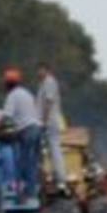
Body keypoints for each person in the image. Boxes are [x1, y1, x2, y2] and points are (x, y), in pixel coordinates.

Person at [0, 67, 41, 205]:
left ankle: (21, 197)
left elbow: (5, 117)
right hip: (37, 130)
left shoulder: (12, 95)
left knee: (21, 164)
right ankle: (31, 194)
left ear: (8, 83)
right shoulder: (26, 93)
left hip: (27, 131)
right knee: (32, 164)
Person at [37, 62, 67, 190]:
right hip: (49, 120)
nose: (38, 73)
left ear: (46, 70)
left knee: (54, 148)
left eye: (40, 70)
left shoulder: (49, 82)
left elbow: (48, 102)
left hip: (50, 121)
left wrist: (44, 120)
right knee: (50, 149)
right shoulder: (44, 83)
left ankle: (60, 176)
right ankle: (55, 174)